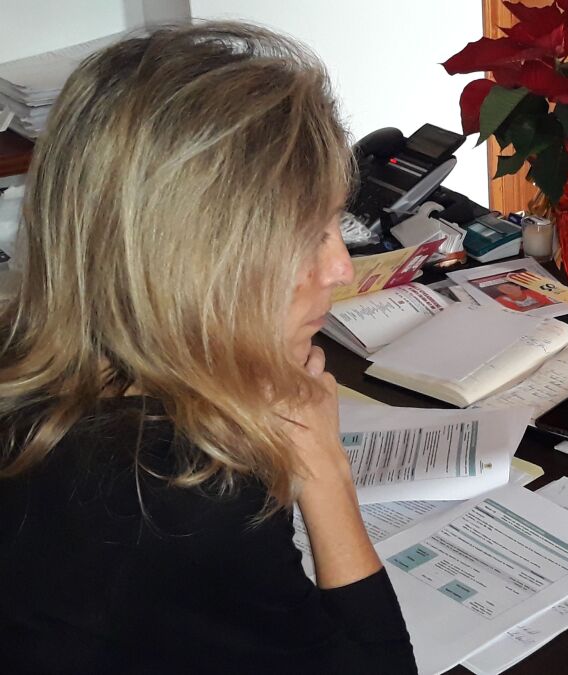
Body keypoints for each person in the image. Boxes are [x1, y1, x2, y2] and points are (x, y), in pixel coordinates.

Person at [0, 25, 418, 673]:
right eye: (310, 232)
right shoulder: (188, 493)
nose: (341, 268)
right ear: (198, 259)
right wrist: (323, 467)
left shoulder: (24, 371)